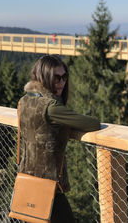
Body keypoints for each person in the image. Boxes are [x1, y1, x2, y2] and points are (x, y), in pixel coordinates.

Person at [18, 55, 100, 223]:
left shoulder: (24, 101)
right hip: (50, 185)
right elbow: (93, 124)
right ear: (44, 77)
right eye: (56, 77)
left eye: (64, 77)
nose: (61, 82)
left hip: (28, 179)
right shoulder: (51, 107)